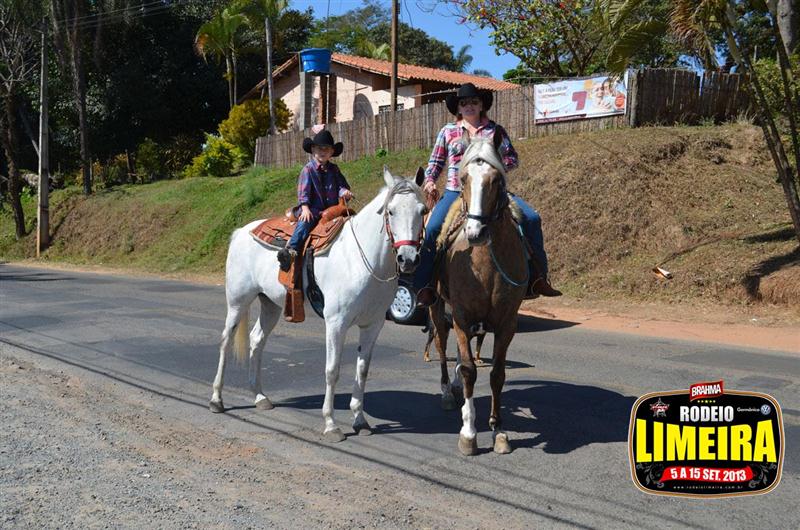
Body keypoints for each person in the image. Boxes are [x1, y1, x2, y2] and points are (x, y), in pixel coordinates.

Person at [414, 82, 561, 306]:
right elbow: (435, 163)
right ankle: (425, 285)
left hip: (490, 189)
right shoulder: (448, 132)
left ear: (482, 105)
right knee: (433, 229)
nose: (469, 106)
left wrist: (495, 166)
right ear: (458, 108)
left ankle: (537, 277)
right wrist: (431, 181)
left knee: (532, 218)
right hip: (456, 191)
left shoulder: (495, 131)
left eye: (474, 102)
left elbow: (512, 158)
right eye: (464, 103)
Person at [277, 130, 353, 272]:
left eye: (327, 149)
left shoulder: (334, 169)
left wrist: (344, 192)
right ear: (313, 150)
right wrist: (305, 208)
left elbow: (340, 186)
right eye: (319, 148)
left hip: (332, 209)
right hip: (313, 208)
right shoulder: (308, 170)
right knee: (305, 223)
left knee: (350, 219)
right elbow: (303, 191)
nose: (323, 151)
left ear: (332, 152)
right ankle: (290, 250)